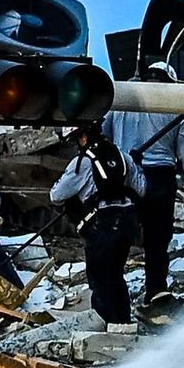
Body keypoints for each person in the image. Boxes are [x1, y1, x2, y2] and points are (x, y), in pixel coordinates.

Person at [104, 62, 184, 312]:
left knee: (118, 237)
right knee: (157, 241)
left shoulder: (122, 96)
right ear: (170, 80)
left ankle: (113, 301)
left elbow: (102, 136)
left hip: (123, 175)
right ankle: (156, 293)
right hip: (160, 178)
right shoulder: (174, 103)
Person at [49, 122, 145, 327]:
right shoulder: (122, 156)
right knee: (116, 276)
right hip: (126, 223)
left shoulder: (81, 162)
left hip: (100, 226)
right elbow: (141, 188)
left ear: (82, 137)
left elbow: (56, 195)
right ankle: (123, 323)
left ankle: (104, 327)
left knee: (100, 280)